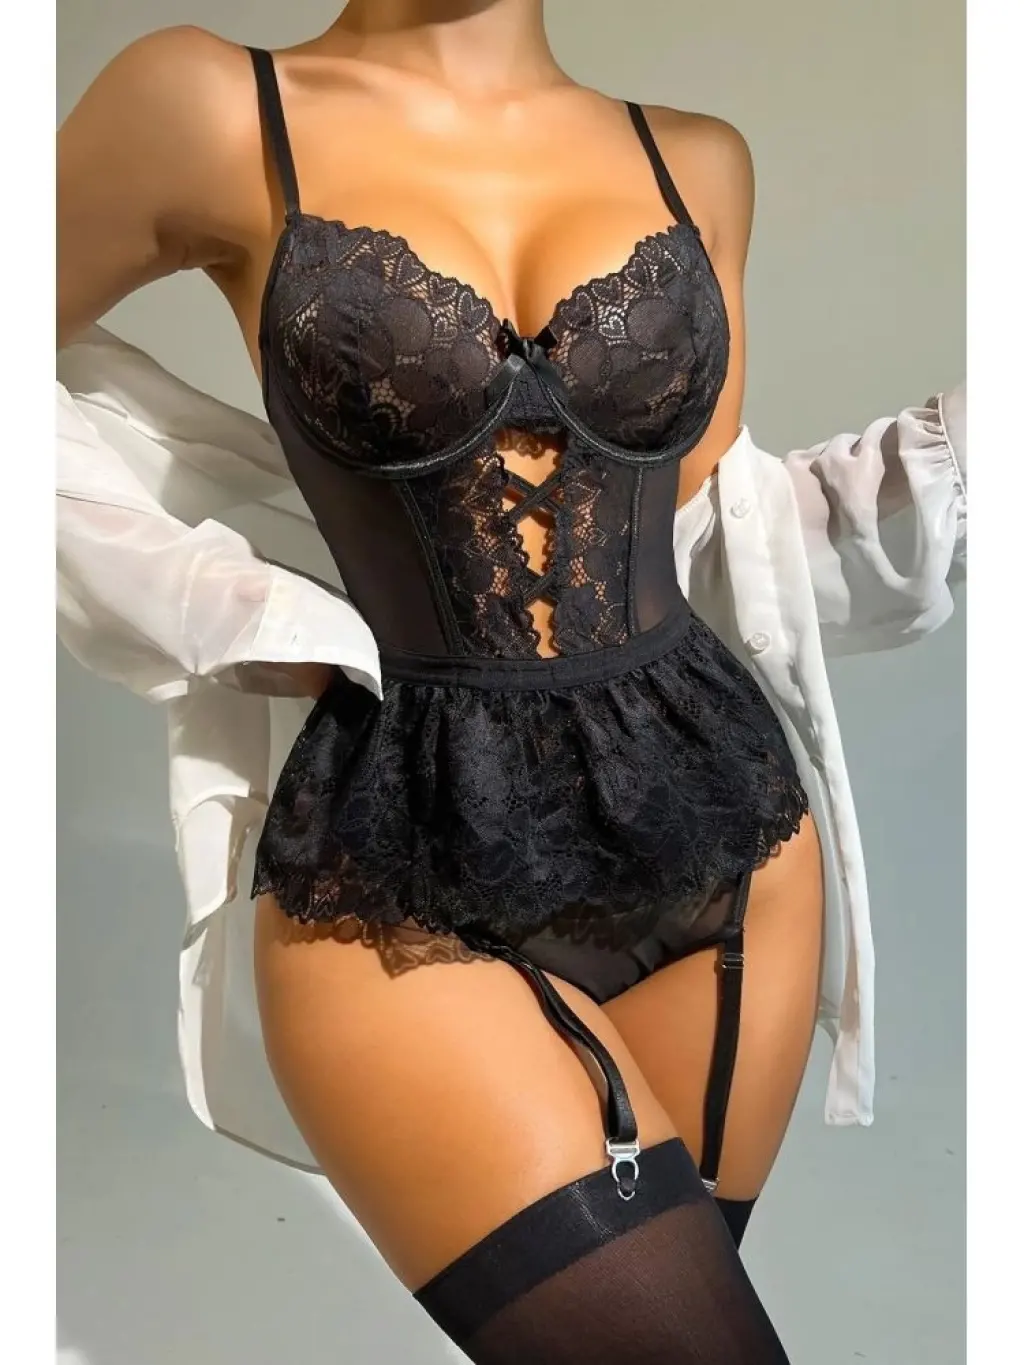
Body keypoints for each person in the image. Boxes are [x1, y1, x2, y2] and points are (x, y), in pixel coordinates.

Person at [56, 6, 966, 1362]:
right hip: (394, 862)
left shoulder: (696, 162)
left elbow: (710, 524)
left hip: (725, 845)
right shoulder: (211, 107)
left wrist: (954, 459)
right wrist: (214, 600)